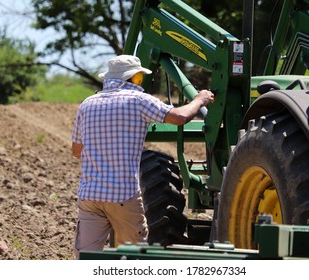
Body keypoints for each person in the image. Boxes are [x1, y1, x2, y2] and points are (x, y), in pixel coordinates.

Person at [71, 54, 214, 258]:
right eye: (139, 78)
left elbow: (76, 151)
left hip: (90, 197)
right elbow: (180, 117)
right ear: (132, 78)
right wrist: (199, 100)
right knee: (134, 258)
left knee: (85, 258)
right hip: (123, 196)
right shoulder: (139, 100)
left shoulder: (87, 104)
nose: (140, 82)